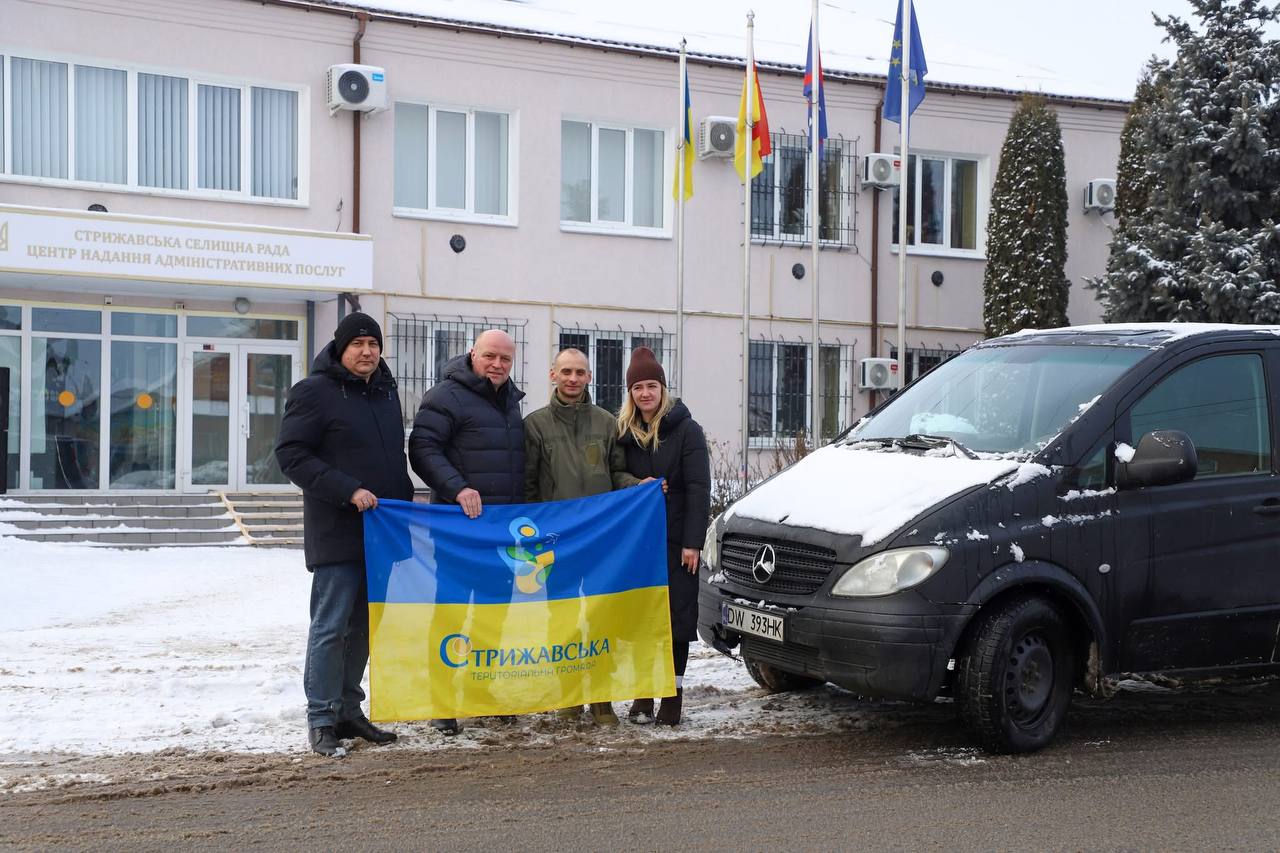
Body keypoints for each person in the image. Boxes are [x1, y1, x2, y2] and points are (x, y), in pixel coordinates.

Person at [275, 312, 414, 757]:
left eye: (374, 343)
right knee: (331, 627)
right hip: (338, 531)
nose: (367, 351)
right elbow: (291, 455)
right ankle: (321, 718)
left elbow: (393, 458)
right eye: (358, 344)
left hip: (383, 533)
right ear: (340, 348)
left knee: (366, 627)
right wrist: (347, 490)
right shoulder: (314, 392)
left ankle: (349, 710)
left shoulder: (385, 392)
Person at [409, 328, 525, 735]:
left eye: (505, 359)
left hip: (500, 533)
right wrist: (457, 487)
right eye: (490, 356)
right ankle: (442, 700)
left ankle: (483, 691)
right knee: (451, 615)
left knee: (493, 618)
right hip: (458, 531)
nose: (497, 365)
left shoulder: (511, 401)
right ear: (472, 353)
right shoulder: (445, 396)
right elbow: (422, 449)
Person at [524, 348, 642, 726]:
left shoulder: (607, 423)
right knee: (561, 620)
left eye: (580, 372)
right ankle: (569, 695)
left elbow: (616, 474)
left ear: (589, 377)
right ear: (552, 375)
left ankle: (603, 699)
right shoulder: (535, 426)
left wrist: (641, 487)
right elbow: (527, 487)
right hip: (554, 543)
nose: (573, 379)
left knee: (601, 618)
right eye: (566, 372)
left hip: (599, 542)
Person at [616, 347, 710, 726]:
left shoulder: (687, 430)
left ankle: (673, 695)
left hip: (676, 544)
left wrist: (693, 542)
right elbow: (614, 478)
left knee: (676, 621)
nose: (645, 393)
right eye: (637, 387)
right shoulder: (624, 432)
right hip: (639, 546)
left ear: (663, 388)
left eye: (651, 385)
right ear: (630, 393)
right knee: (641, 621)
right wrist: (638, 485)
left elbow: (699, 487)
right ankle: (642, 693)